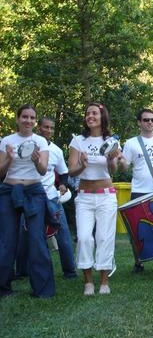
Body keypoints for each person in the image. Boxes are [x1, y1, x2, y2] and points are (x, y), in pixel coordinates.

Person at [0, 104, 55, 298]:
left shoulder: (41, 141)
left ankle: (43, 290)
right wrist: (8, 158)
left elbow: (42, 170)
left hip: (34, 190)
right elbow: (0, 172)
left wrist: (36, 160)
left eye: (32, 118)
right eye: (25, 117)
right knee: (7, 240)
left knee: (36, 239)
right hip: (9, 190)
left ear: (35, 121)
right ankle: (3, 288)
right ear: (17, 119)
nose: (28, 121)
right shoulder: (6, 141)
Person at [68, 103, 120, 296]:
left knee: (104, 238)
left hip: (106, 196)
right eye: (88, 113)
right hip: (84, 197)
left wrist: (110, 160)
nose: (90, 116)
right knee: (83, 238)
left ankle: (104, 281)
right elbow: (71, 170)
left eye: (94, 113)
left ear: (102, 117)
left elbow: (114, 170)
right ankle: (88, 281)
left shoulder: (111, 140)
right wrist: (82, 165)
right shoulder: (78, 141)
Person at [120, 108, 153, 273]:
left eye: (152, 120)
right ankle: (138, 262)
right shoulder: (131, 143)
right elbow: (125, 167)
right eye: (146, 120)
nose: (150, 123)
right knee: (137, 229)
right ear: (139, 122)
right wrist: (119, 158)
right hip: (140, 190)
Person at [38, 117, 77, 278]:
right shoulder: (28, 145)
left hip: (52, 198)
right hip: (30, 198)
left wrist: (63, 184)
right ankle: (21, 271)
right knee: (24, 236)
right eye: (45, 127)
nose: (48, 130)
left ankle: (70, 271)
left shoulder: (57, 151)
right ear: (38, 128)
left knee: (63, 235)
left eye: (51, 128)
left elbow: (64, 173)